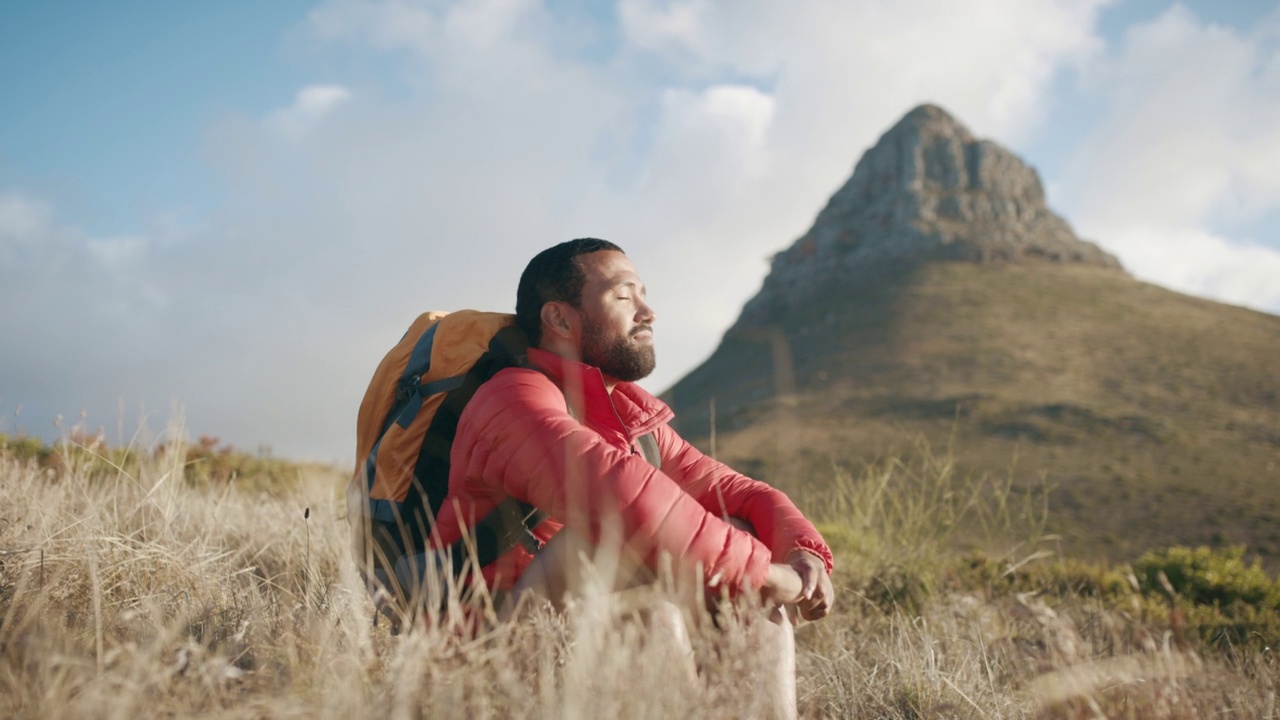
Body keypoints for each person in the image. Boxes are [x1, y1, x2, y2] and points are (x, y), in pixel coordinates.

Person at [427, 238, 835, 715]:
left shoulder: (630, 420)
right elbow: (625, 501)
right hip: (487, 659)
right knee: (625, 571)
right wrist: (768, 575)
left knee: (738, 532)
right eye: (624, 297)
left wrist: (801, 551)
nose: (648, 312)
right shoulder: (512, 399)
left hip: (579, 640)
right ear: (560, 319)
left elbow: (738, 493)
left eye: (643, 294)